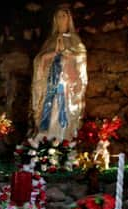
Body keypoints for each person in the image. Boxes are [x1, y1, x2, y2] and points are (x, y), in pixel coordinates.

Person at [31, 8, 87, 142]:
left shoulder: (75, 40)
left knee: (62, 107)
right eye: (58, 16)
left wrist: (67, 53)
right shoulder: (50, 40)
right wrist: (51, 55)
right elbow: (39, 59)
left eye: (63, 16)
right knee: (50, 107)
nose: (61, 19)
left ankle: (63, 138)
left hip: (67, 83)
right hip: (50, 81)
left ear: (69, 19)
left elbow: (81, 58)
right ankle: (46, 137)